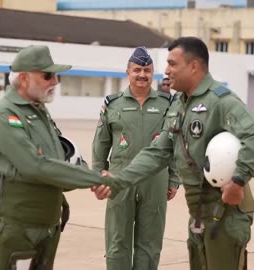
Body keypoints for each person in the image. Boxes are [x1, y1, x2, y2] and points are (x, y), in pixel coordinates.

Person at [93, 37, 254, 269]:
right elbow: (158, 152)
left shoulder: (219, 101)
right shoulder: (179, 105)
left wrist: (238, 181)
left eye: (172, 63)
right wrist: (119, 180)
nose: (166, 71)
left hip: (224, 211)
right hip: (198, 210)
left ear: (194, 66)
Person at [0, 45, 110, 270]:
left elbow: (60, 154)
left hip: (47, 222)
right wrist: (94, 178)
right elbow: (35, 166)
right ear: (24, 78)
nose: (55, 81)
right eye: (47, 75)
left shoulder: (38, 110)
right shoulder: (6, 113)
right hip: (19, 224)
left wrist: (87, 173)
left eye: (56, 75)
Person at [92, 47, 181, 270]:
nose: (142, 74)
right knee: (117, 240)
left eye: (147, 70)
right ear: (128, 72)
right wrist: (97, 177)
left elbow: (174, 143)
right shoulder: (113, 104)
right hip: (118, 179)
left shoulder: (166, 104)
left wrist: (173, 179)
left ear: (153, 74)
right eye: (137, 70)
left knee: (150, 241)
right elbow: (100, 144)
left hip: (155, 179)